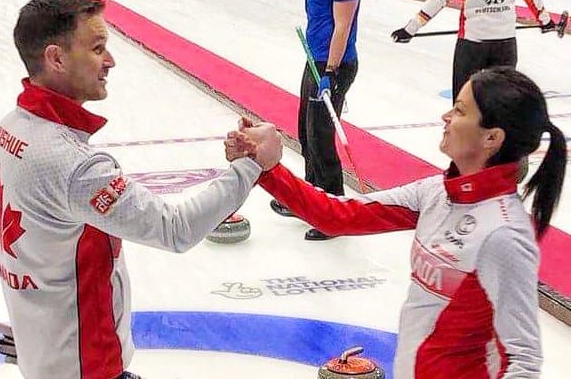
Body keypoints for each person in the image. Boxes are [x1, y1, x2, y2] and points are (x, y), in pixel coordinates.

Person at [0, 0, 281, 378]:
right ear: (56, 58)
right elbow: (176, 229)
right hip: (88, 368)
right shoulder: (75, 167)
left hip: (50, 361)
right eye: (96, 48)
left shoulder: (4, 135)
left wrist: (33, 337)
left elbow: (25, 256)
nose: (110, 61)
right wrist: (251, 166)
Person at [227, 67, 567, 378]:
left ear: (492, 138)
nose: (446, 115)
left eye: (460, 110)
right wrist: (268, 167)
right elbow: (336, 215)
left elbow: (522, 360)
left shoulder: (504, 234)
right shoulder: (434, 193)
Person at [270, 0, 360, 241]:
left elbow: (343, 26)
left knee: (320, 139)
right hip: (314, 60)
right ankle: (309, 200)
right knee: (307, 134)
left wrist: (331, 71)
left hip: (333, 65)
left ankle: (333, 213)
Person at [391, 0, 559, 103]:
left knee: (463, 102)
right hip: (505, 42)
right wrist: (545, 21)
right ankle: (502, 156)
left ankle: (464, 154)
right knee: (503, 102)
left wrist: (410, 29)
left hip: (473, 43)